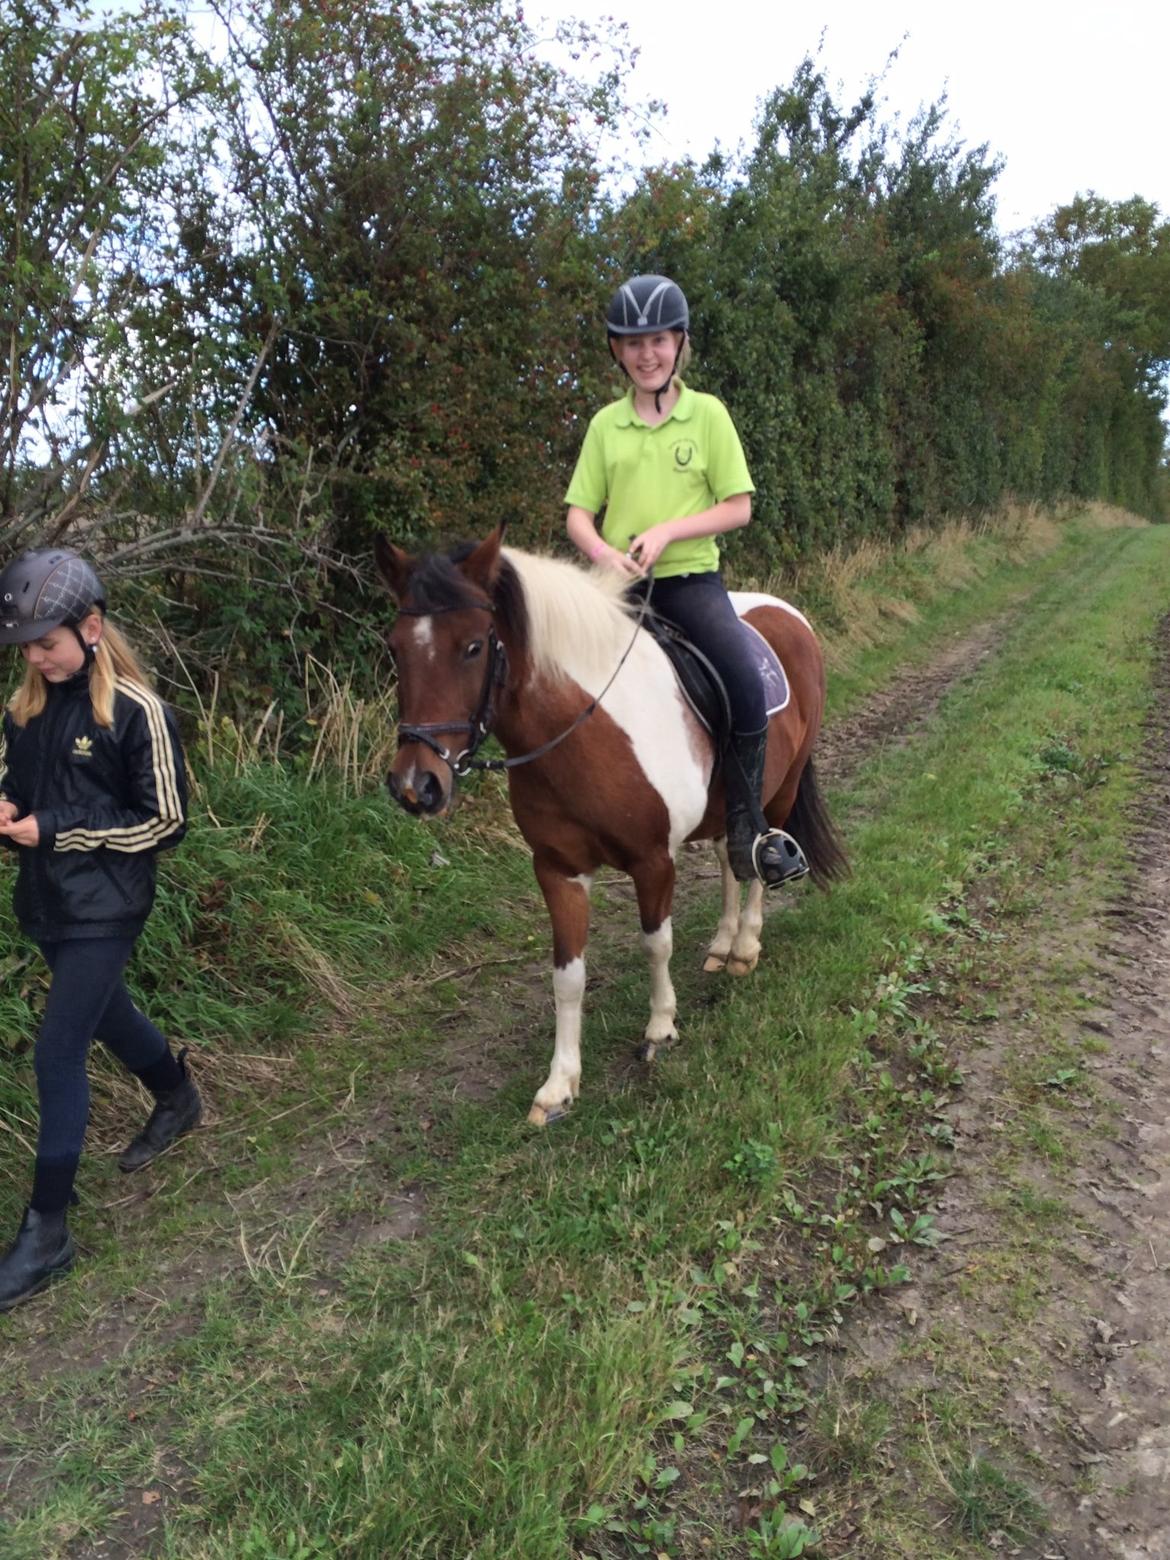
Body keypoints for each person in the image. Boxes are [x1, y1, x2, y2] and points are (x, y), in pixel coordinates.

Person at [0, 547, 200, 1311]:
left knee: (57, 1052)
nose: (36, 657)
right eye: (26, 647)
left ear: (91, 627)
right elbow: (17, 790)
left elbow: (166, 821)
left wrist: (56, 828)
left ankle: (46, 1233)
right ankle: (177, 1096)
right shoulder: (25, 710)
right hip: (46, 901)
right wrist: (10, 815)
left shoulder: (138, 711)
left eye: (46, 642)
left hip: (110, 903)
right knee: (107, 1011)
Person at [564, 273, 808, 888]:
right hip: (618, 590)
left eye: (659, 341)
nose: (646, 354)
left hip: (690, 585)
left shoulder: (708, 417)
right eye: (632, 342)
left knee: (742, 682)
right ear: (616, 351)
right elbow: (577, 514)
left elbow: (738, 506)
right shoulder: (604, 427)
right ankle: (574, 814)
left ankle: (750, 830)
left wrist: (670, 531)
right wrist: (601, 552)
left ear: (680, 345)